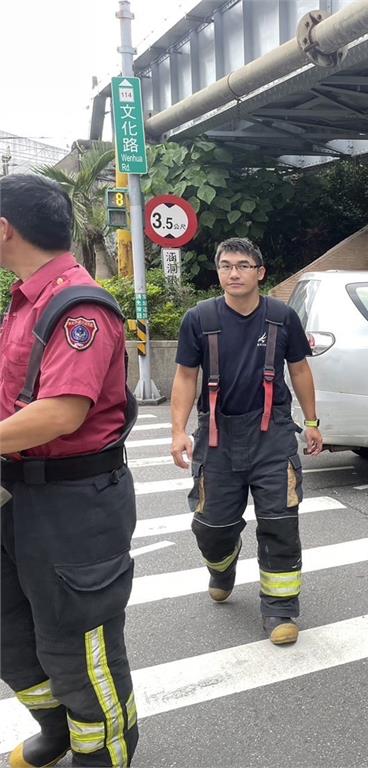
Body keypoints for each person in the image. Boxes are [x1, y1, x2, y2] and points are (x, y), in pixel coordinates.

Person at [0, 174, 139, 767]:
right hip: (17, 497)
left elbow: (61, 412)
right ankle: (57, 729)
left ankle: (104, 750)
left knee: (78, 645)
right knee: (11, 635)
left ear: (3, 230)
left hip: (73, 504)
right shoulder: (25, 299)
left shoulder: (77, 306)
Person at [169, 237, 323, 646]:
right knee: (211, 527)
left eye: (242, 265)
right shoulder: (199, 319)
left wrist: (311, 422)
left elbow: (301, 369)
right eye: (225, 266)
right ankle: (222, 566)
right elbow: (186, 377)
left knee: (280, 524)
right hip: (217, 438)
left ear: (260, 272)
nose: (233, 273)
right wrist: (178, 431)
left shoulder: (281, 317)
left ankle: (280, 610)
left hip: (272, 437)